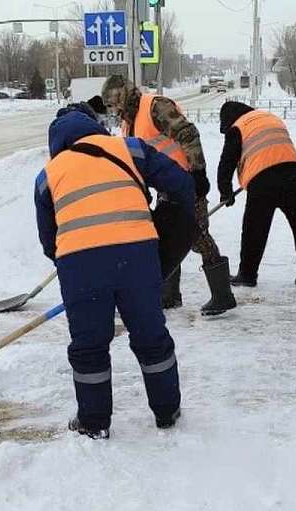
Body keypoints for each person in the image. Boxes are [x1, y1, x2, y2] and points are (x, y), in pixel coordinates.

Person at [34, 110, 196, 439]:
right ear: (96, 128)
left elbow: (48, 240)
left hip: (80, 264)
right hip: (138, 255)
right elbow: (181, 184)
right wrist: (165, 221)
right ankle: (167, 411)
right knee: (151, 336)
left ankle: (94, 423)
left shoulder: (47, 176)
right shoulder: (131, 148)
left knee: (89, 346)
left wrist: (69, 264)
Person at [101, 74, 236, 316]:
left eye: (114, 104)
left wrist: (198, 172)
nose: (114, 110)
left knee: (197, 235)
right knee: (164, 237)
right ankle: (169, 296)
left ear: (122, 97)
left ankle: (222, 296)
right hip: (165, 186)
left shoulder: (155, 106)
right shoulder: (127, 123)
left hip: (186, 182)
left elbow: (188, 134)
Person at [217, 101, 296, 288]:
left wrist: (225, 192)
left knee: (254, 229)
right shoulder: (270, 118)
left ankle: (247, 275)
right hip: (294, 175)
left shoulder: (239, 127)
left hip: (264, 181)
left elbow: (227, 162)